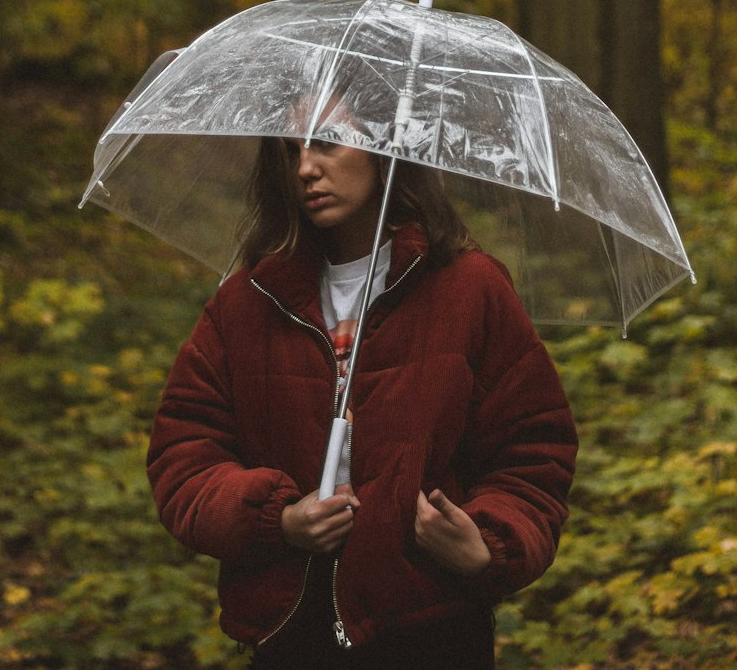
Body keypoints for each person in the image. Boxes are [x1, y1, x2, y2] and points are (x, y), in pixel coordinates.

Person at [147, 133, 578, 668]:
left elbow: (533, 452)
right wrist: (278, 519)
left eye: (328, 143)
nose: (305, 168)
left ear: (385, 148)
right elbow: (183, 455)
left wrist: (487, 541)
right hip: (291, 632)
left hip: (434, 627)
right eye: (290, 150)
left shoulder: (470, 289)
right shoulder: (246, 303)